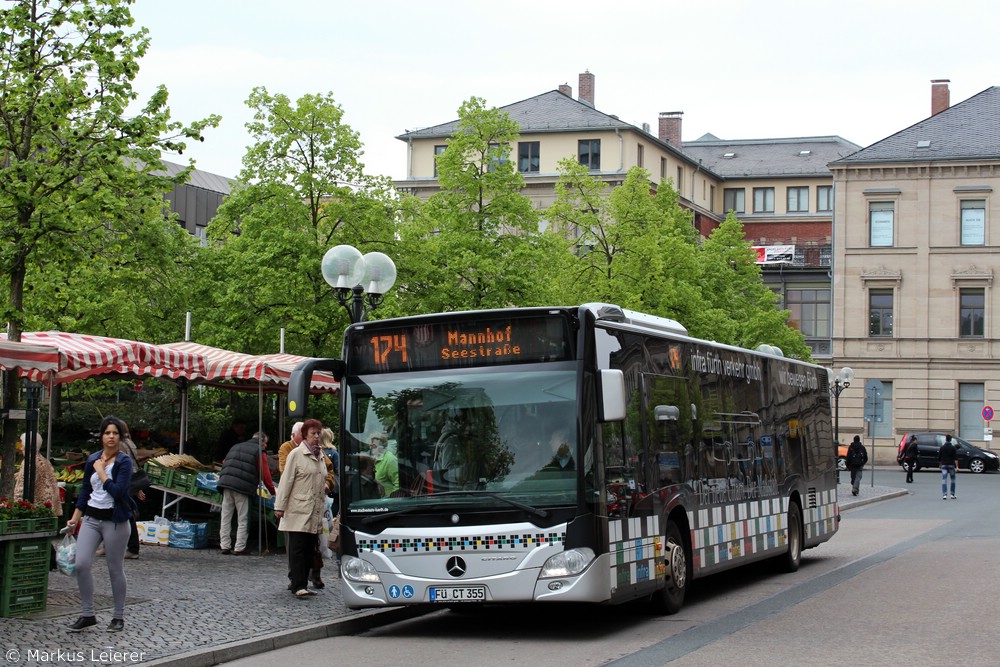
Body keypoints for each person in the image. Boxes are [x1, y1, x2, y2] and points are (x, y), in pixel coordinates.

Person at [65, 415, 135, 632]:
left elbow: (118, 491)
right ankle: (87, 614)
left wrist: (103, 472)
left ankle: (118, 616)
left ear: (120, 437)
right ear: (102, 436)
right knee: (81, 564)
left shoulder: (124, 462)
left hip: (115, 521)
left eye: (115, 433)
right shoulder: (93, 459)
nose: (111, 437)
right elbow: (85, 490)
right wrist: (75, 518)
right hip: (91, 519)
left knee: (115, 568)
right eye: (107, 433)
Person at [273, 418, 328, 597]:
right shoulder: (296, 454)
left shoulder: (320, 455)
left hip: (314, 511)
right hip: (298, 509)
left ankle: (303, 584)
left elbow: (324, 478)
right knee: (297, 549)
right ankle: (297, 586)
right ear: (305, 435)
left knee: (309, 549)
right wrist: (279, 506)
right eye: (313, 433)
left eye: (318, 433)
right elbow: (286, 481)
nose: (317, 436)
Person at [218, 432, 276, 555]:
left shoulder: (236, 446)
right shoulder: (259, 451)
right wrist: (273, 492)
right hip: (243, 487)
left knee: (226, 516)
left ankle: (224, 546)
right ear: (262, 441)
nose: (266, 445)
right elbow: (265, 475)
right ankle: (239, 548)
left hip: (226, 483)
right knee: (243, 518)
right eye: (265, 443)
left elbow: (224, 462)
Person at [13, 432, 62, 518]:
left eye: (22, 445)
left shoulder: (29, 462)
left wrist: (17, 506)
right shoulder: (45, 461)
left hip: (35, 510)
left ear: (28, 446)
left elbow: (22, 487)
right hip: (47, 510)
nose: (21, 448)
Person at [117, 420, 146, 560]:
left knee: (127, 515)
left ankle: (133, 547)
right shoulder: (130, 442)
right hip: (130, 482)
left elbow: (124, 466)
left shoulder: (122, 445)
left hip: (124, 483)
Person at [939, 434, 958, 500]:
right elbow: (955, 458)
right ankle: (952, 494)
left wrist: (940, 464)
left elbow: (939, 457)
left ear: (945, 439)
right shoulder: (953, 448)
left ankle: (944, 495)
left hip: (944, 464)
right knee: (953, 479)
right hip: (951, 464)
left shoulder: (942, 447)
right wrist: (957, 466)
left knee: (944, 479)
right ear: (950, 440)